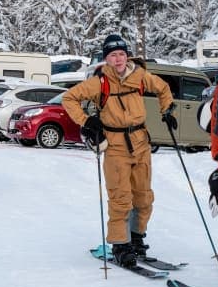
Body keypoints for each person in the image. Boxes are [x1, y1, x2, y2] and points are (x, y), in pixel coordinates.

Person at [61, 33, 176, 268]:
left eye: (121, 54)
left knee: (144, 197)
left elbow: (164, 88)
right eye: (113, 55)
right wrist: (87, 121)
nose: (118, 59)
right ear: (107, 59)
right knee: (121, 198)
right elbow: (69, 98)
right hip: (114, 145)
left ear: (127, 56)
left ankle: (136, 238)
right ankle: (120, 245)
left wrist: (167, 110)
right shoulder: (99, 82)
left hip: (141, 141)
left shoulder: (141, 77)